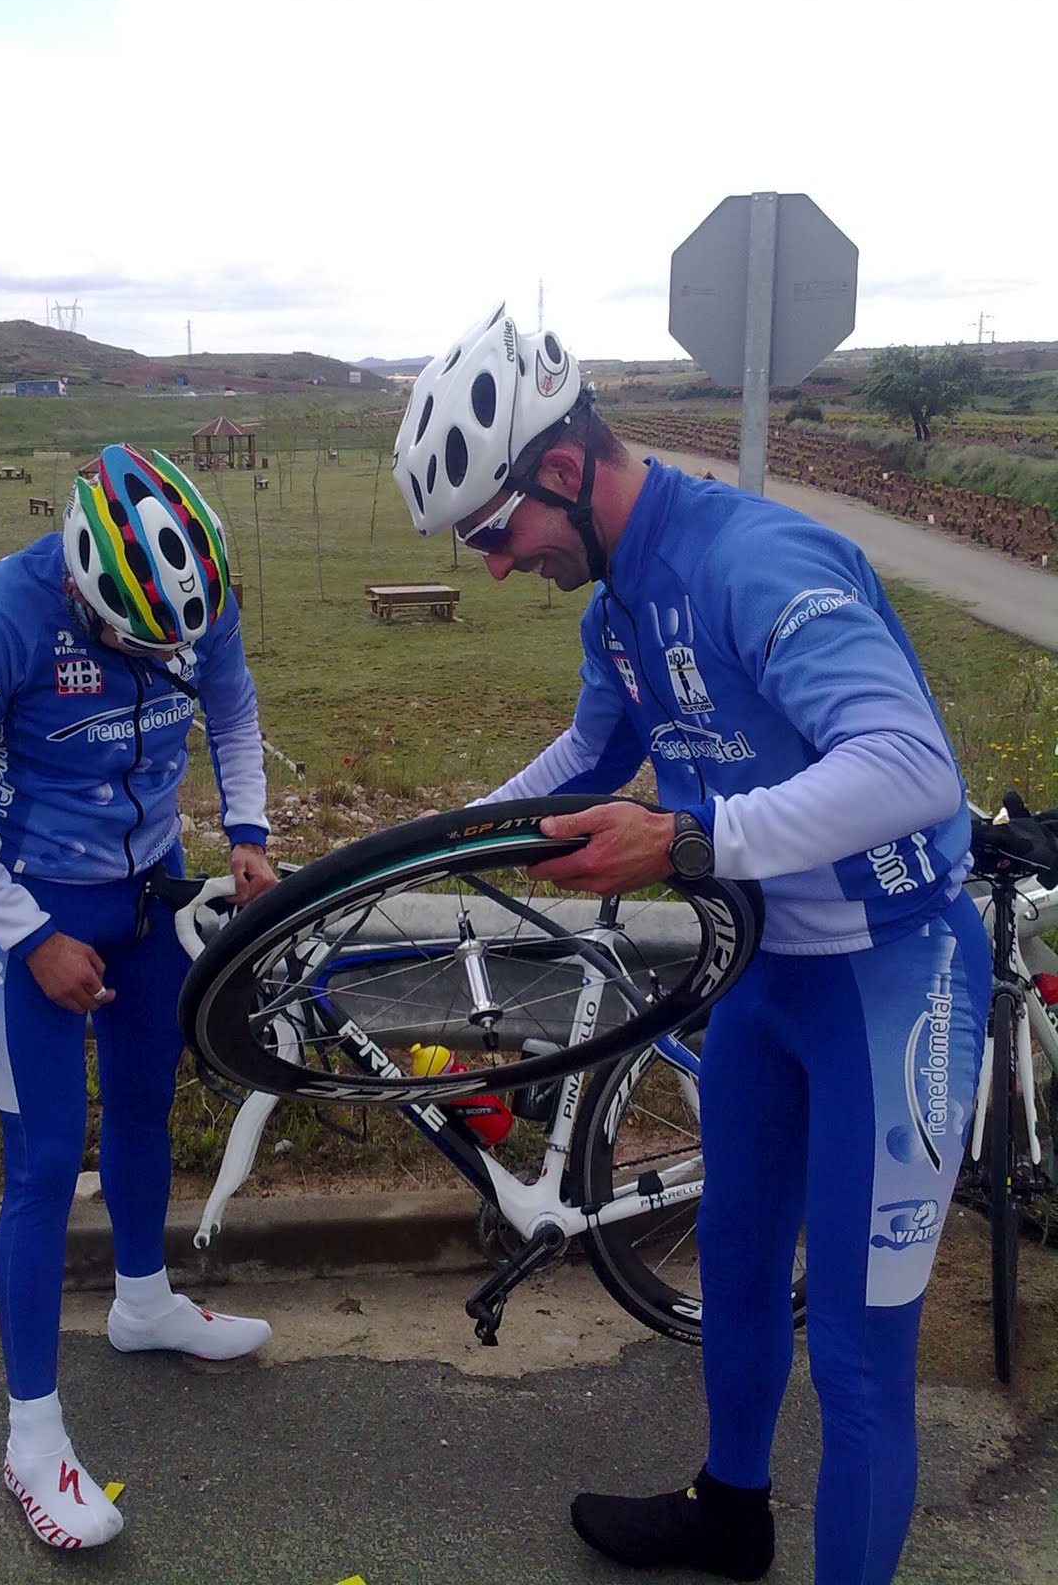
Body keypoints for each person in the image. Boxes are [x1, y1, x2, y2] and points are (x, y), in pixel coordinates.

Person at [392, 305, 995, 1584]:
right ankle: (732, 1511)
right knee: (736, 1262)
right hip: (771, 978)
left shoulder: (754, 562)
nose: (492, 566)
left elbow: (912, 767)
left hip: (895, 977)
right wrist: (437, 845)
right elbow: (587, 756)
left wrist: (687, 841)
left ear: (563, 470)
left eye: (493, 532)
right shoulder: (618, 605)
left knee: (858, 1356)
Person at [0, 445, 278, 1551]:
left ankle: (143, 1302)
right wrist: (29, 936)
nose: (163, 659)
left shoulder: (195, 597)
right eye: (137, 643)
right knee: (43, 1165)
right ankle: (30, 1439)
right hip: (34, 908)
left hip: (150, 889)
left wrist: (248, 830)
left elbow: (233, 710)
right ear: (80, 580)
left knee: (149, 1106)